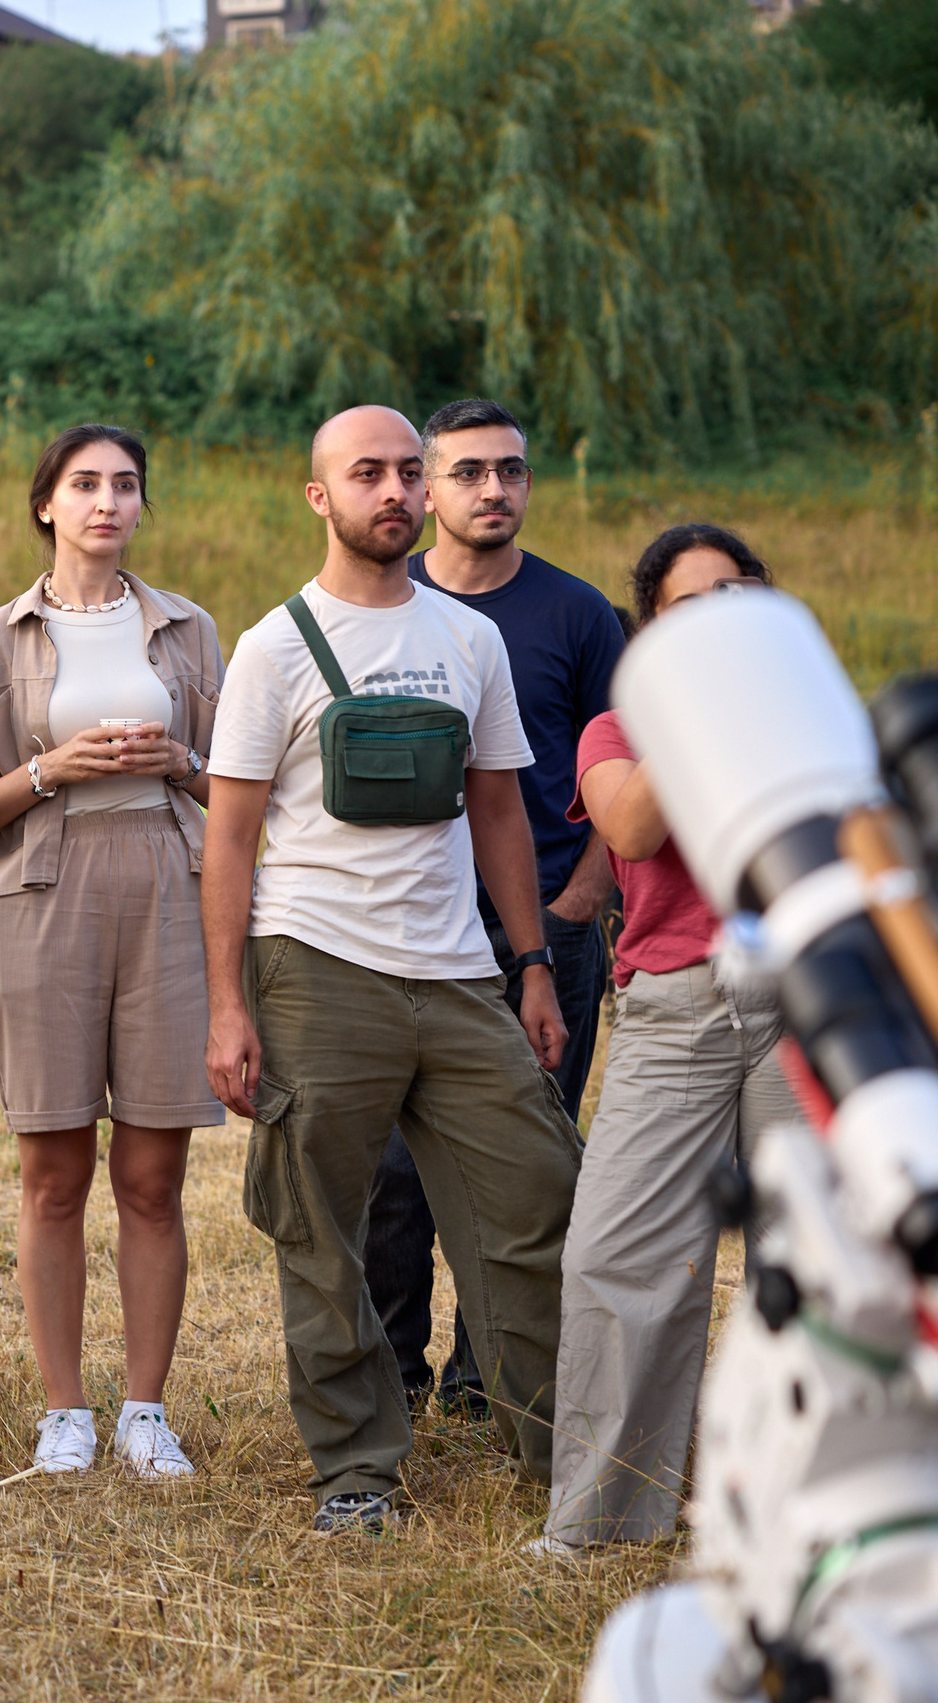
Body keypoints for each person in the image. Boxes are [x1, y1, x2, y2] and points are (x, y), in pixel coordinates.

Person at [201, 404, 582, 1535]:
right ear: (319, 496)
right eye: (365, 472)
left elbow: (501, 809)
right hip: (315, 967)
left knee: (534, 1204)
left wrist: (530, 965)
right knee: (321, 1229)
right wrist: (227, 1002)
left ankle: (564, 1453)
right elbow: (228, 837)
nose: (394, 491)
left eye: (408, 471)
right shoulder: (274, 645)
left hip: (461, 975)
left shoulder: (472, 641)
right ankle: (358, 1471)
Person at [0, 424, 223, 1480]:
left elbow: (239, 791)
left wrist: (182, 756)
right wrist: (50, 769)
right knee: (51, 1172)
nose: (107, 502)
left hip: (167, 888)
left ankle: (145, 1409)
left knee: (153, 1176)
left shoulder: (189, 631)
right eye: (85, 485)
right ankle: (66, 1411)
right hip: (42, 897)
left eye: (126, 485)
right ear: (45, 504)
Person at [365, 398, 628, 1417]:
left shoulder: (577, 615)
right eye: (468, 472)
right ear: (423, 488)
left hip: (542, 932)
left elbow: (628, 761)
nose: (493, 490)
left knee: (518, 1172)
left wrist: (573, 909)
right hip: (403, 931)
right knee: (391, 1176)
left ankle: (486, 1390)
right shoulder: (382, 606)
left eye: (509, 471)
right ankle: (390, 1375)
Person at [538, 524, 797, 1552]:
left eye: (739, 597)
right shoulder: (615, 731)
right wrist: (705, 700)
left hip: (804, 1005)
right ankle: (604, 1522)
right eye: (692, 607)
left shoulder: (813, 720)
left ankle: (793, 1513)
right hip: (675, 1010)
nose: (720, 619)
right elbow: (634, 831)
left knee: (817, 1264)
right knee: (615, 1259)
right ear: (653, 629)